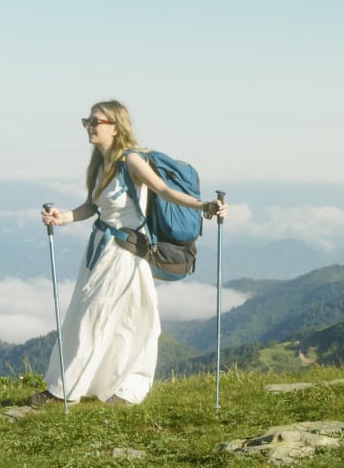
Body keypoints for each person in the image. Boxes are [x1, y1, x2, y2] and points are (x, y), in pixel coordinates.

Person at [32, 100, 226, 406]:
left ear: (115, 127)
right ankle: (94, 387)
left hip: (124, 254)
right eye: (87, 121)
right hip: (100, 251)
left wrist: (205, 207)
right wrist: (63, 217)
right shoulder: (101, 163)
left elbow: (164, 191)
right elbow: (93, 206)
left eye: (96, 121)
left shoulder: (131, 160)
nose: (89, 126)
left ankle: (72, 391)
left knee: (100, 319)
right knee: (107, 319)